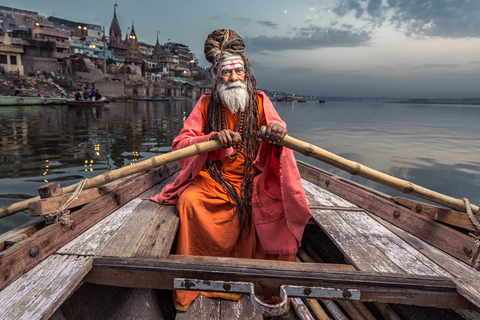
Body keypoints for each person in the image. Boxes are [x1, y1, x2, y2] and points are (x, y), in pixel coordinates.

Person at [150, 29, 311, 311]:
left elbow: (279, 129)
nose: (233, 78)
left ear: (246, 72)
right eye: (226, 73)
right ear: (216, 75)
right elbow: (180, 145)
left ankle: (267, 286)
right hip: (216, 180)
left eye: (238, 71)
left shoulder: (260, 101)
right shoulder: (205, 104)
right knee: (190, 202)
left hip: (256, 178)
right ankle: (201, 282)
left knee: (280, 206)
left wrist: (277, 130)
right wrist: (209, 140)